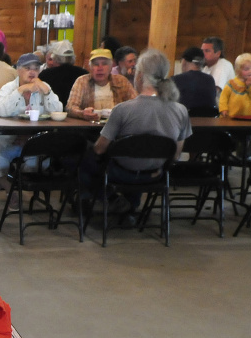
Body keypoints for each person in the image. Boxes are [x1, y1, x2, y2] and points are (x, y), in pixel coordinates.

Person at [80, 48, 191, 215]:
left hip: (121, 172)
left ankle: (110, 199)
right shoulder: (181, 110)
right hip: (156, 173)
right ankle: (130, 208)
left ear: (139, 76)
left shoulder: (123, 110)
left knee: (84, 158)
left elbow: (100, 149)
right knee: (138, 155)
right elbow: (175, 154)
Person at [0, 53, 62, 201]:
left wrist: (47, 92)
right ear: (18, 70)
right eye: (27, 68)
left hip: (32, 142)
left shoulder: (45, 88)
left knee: (39, 164)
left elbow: (57, 111)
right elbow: (1, 111)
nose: (32, 72)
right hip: (5, 140)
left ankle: (0, 184)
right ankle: (11, 191)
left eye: (36, 68)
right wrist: (20, 91)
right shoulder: (8, 88)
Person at [65, 48, 136, 120]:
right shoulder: (82, 81)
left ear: (111, 67)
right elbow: (70, 107)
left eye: (104, 64)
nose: (100, 68)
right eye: (96, 64)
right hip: (89, 127)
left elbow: (135, 104)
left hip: (117, 127)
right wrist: (82, 113)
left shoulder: (122, 81)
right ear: (90, 67)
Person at [38, 40, 87, 106]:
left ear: (55, 58)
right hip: (77, 114)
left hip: (51, 113)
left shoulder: (45, 75)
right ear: (73, 58)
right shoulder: (83, 74)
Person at [171, 46, 216, 112]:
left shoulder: (176, 80)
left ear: (184, 61)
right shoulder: (210, 80)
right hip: (208, 120)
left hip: (184, 120)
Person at [218, 53, 251, 118]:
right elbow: (223, 97)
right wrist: (223, 109)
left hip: (248, 117)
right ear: (238, 70)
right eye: (246, 69)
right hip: (230, 116)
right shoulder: (232, 83)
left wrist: (250, 86)